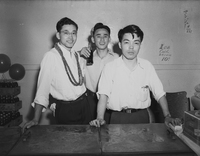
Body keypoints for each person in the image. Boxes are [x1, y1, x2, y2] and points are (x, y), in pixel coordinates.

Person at [89, 24, 182, 127]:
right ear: (120, 45)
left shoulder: (147, 66)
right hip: (118, 118)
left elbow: (159, 93)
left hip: (142, 117)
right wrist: (100, 118)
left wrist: (167, 115)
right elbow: (103, 95)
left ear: (140, 45)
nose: (131, 47)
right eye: (126, 42)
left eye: (136, 43)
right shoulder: (110, 67)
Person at [23, 17, 92, 132]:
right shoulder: (51, 56)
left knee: (88, 142)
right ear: (58, 35)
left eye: (73, 33)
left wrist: (80, 52)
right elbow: (42, 89)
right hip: (66, 109)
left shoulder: (76, 55)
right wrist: (36, 118)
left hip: (84, 105)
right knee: (69, 145)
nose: (70, 37)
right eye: (66, 33)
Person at [79, 23, 119, 120]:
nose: (102, 40)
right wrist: (79, 53)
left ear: (109, 39)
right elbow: (68, 61)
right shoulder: (86, 57)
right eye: (98, 36)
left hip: (110, 99)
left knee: (109, 131)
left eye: (105, 36)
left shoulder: (116, 58)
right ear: (93, 39)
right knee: (90, 131)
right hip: (90, 99)